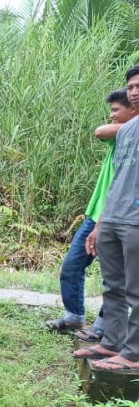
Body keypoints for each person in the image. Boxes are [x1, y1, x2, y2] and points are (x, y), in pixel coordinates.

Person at [47, 88, 136, 338]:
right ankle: (74, 316)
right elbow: (100, 132)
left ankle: (103, 328)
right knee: (72, 267)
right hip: (96, 215)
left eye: (116, 110)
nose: (111, 115)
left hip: (116, 217)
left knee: (116, 280)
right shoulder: (122, 137)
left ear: (133, 110)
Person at [77, 65, 139, 375]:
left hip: (136, 222)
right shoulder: (127, 130)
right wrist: (100, 223)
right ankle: (113, 342)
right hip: (114, 216)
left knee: (136, 290)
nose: (134, 91)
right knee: (113, 286)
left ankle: (135, 353)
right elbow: (118, 178)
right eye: (131, 86)